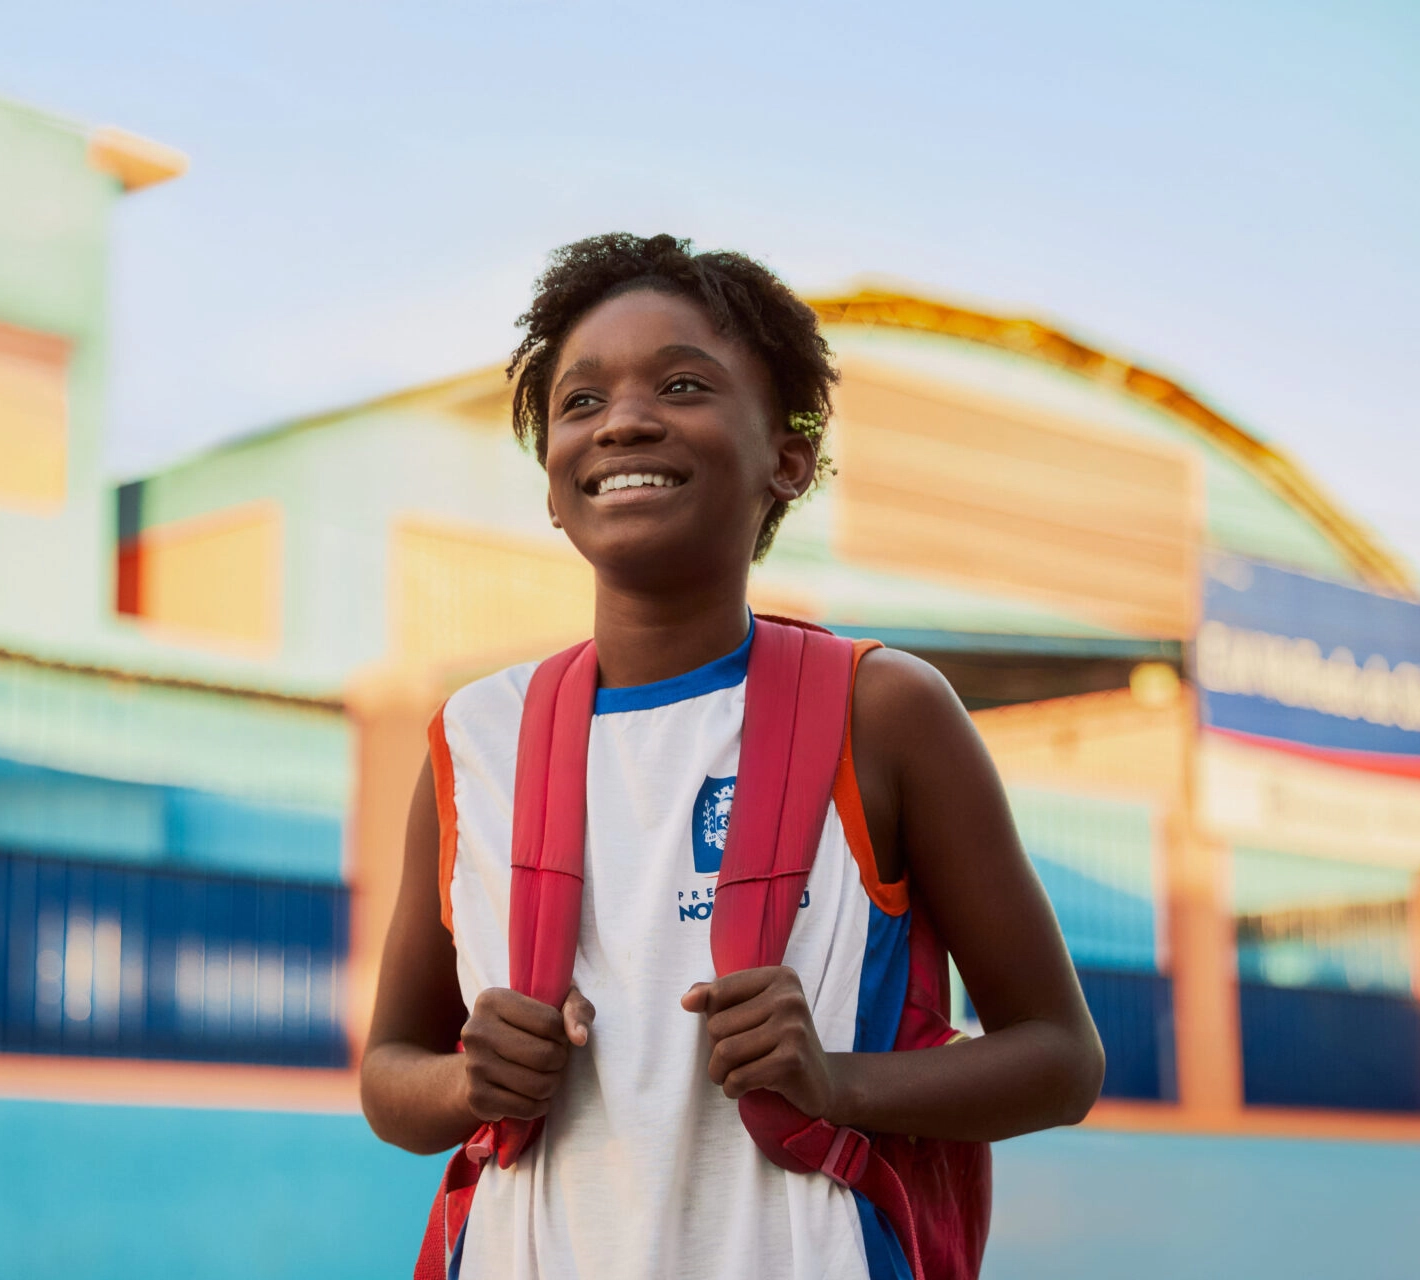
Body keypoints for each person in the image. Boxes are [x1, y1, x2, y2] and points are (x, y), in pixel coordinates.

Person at [360, 232, 1104, 1280]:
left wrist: (837, 1082)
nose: (623, 418)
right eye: (579, 402)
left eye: (681, 383)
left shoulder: (881, 711)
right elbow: (391, 1077)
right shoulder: (475, 739)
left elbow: (1061, 1060)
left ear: (787, 456)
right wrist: (468, 1081)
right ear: (551, 476)